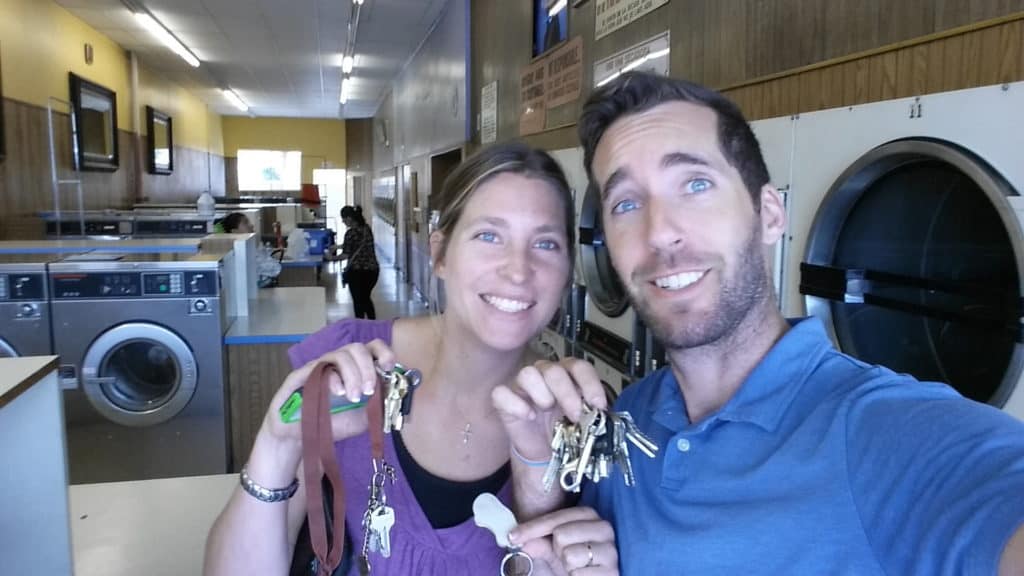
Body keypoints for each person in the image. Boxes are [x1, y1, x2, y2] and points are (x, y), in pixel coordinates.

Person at [495, 71, 1024, 575]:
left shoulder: (883, 432)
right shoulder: (629, 417)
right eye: (626, 203)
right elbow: (555, 553)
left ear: (770, 214)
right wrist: (536, 467)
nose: (659, 232)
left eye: (695, 184)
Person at [203, 141, 619, 576]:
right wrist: (277, 444)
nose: (518, 270)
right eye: (489, 236)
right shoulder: (346, 364)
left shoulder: (579, 415)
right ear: (440, 254)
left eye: (546, 244)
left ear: (568, 272)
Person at [326, 205, 380, 319]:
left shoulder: (350, 233)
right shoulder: (366, 228)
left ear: (350, 218)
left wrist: (331, 258)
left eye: (344, 219)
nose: (343, 221)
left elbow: (346, 255)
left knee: (358, 301)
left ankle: (360, 325)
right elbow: (356, 244)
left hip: (357, 272)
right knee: (365, 298)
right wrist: (338, 246)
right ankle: (372, 323)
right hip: (372, 271)